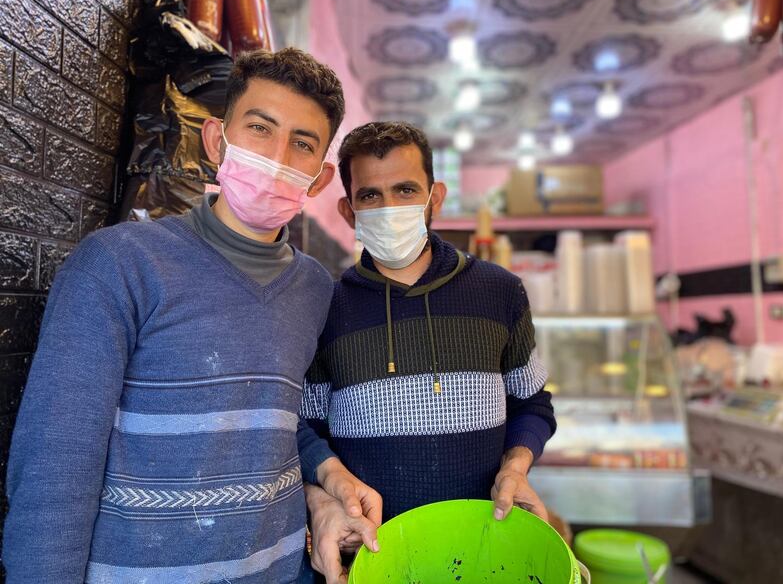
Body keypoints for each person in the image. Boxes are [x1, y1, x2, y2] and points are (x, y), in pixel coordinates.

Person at [3, 48, 379, 584]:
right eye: (259, 127)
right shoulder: (118, 264)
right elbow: (55, 466)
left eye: (301, 144)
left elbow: (272, 419)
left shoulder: (316, 289)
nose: (276, 155)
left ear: (317, 180)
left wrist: (326, 479)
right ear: (215, 140)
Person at [301, 121, 557, 579]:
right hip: (372, 555)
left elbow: (532, 404)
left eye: (405, 190)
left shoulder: (500, 292)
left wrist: (516, 467)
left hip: (484, 548)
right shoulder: (327, 306)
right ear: (347, 209)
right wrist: (327, 485)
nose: (390, 208)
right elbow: (305, 426)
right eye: (371, 196)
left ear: (435, 197)